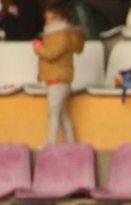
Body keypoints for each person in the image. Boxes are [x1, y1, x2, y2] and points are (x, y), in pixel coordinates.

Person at [35, 2, 86, 147]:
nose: (47, 22)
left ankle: (50, 142)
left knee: (54, 113)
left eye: (50, 19)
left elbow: (52, 54)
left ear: (60, 18)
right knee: (62, 115)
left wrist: (38, 48)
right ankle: (71, 142)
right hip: (57, 80)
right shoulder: (60, 34)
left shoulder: (61, 36)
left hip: (58, 80)